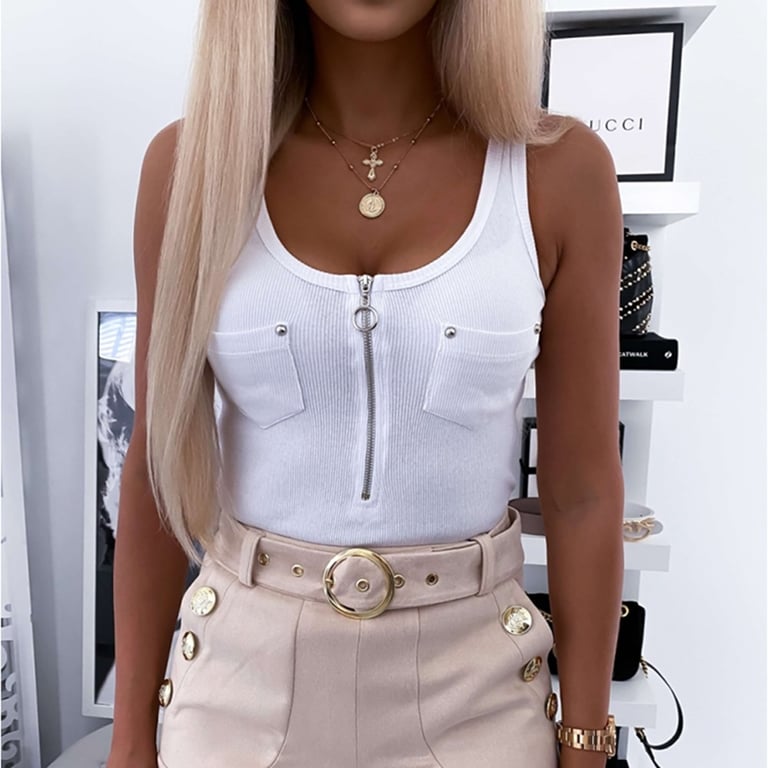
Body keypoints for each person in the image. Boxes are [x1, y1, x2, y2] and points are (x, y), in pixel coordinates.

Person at [107, 1, 625, 766]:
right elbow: (157, 466)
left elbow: (582, 494)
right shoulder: (188, 168)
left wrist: (585, 741)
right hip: (236, 697)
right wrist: (128, 741)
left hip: (476, 698)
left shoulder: (559, 170)